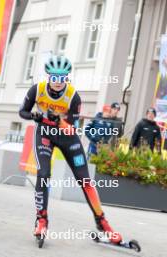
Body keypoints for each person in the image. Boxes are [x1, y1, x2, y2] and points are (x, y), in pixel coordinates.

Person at [19, 55, 122, 244]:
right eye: (54, 78)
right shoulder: (38, 89)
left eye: (62, 78)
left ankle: (102, 223)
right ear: (49, 77)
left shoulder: (73, 96)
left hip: (68, 138)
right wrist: (36, 116)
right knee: (43, 173)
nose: (58, 82)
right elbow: (22, 112)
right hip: (45, 135)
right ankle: (42, 219)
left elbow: (72, 128)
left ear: (67, 78)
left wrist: (58, 120)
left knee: (86, 181)